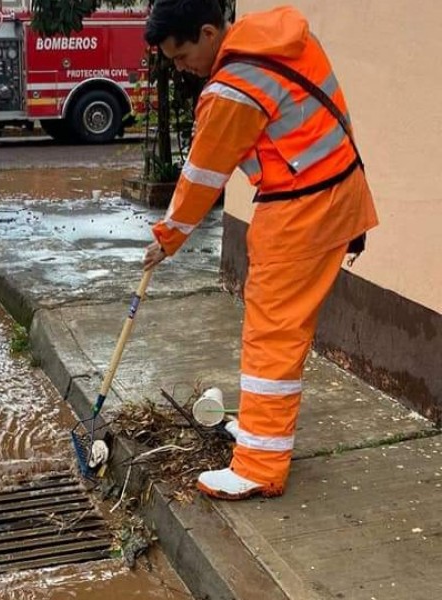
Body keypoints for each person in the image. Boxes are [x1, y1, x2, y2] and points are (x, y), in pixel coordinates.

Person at [142, 0, 378, 500]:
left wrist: (168, 238)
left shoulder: (233, 87)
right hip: (333, 191)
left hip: (302, 212)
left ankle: (259, 465)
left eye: (182, 56)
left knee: (272, 333)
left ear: (209, 33)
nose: (181, 68)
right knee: (273, 327)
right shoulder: (274, 40)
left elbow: (204, 174)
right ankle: (258, 434)